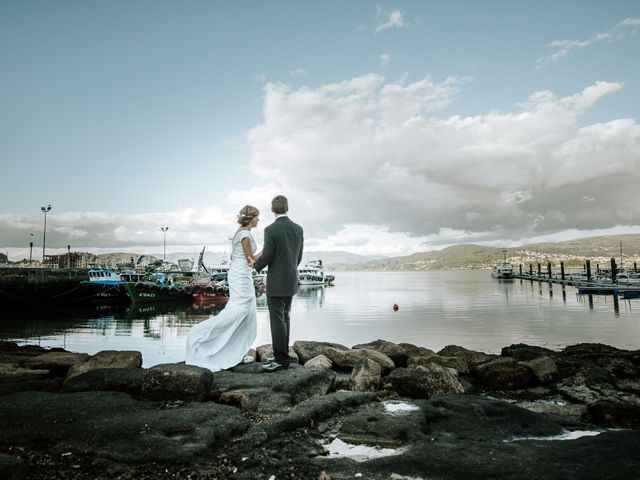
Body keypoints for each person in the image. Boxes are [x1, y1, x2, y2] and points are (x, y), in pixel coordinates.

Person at [185, 205, 261, 372]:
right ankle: (200, 334)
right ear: (251, 218)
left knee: (245, 312)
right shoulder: (245, 235)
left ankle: (235, 352)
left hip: (239, 273)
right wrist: (266, 250)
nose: (258, 220)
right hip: (241, 276)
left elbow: (238, 258)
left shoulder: (239, 232)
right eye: (257, 217)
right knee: (240, 311)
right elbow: (250, 260)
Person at [252, 195, 304, 372]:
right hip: (290, 280)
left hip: (276, 282)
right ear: (287, 208)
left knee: (277, 320)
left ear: (272, 210)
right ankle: (283, 357)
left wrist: (254, 266)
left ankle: (281, 360)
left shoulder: (271, 229)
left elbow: (267, 256)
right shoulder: (298, 229)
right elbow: (299, 257)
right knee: (285, 317)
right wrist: (290, 269)